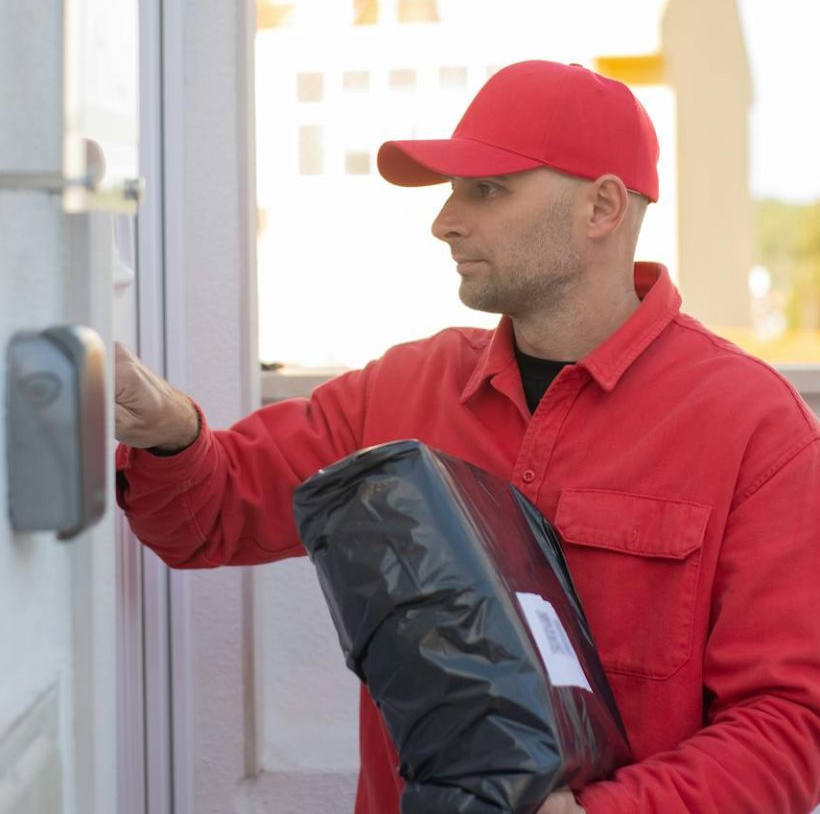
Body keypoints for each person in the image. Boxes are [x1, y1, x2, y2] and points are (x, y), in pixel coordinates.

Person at [115, 59, 820, 814]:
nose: (446, 221)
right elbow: (210, 515)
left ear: (603, 208)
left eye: (486, 191)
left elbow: (789, 727)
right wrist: (168, 429)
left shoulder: (756, 429)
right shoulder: (398, 390)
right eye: (453, 191)